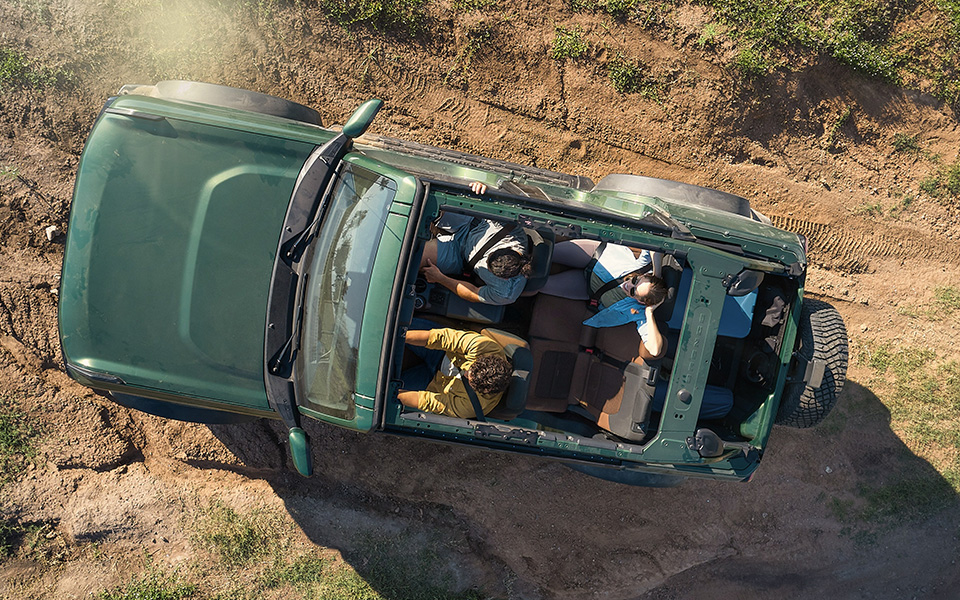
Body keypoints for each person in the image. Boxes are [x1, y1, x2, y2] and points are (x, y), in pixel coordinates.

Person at [541, 239, 668, 362]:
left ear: (641, 301)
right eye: (635, 281)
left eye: (633, 292)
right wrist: (657, 273)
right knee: (545, 251)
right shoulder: (642, 267)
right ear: (644, 276)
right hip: (594, 256)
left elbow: (655, 350)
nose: (629, 285)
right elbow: (655, 243)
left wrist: (649, 312)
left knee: (539, 284)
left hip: (586, 287)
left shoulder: (639, 311)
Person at [419, 182, 533, 306]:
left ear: (504, 278)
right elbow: (499, 200)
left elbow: (473, 293)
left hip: (459, 255)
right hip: (470, 222)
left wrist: (440, 278)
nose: (484, 262)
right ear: (508, 248)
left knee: (418, 255)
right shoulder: (513, 232)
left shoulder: (506, 292)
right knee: (431, 202)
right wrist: (484, 188)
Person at [397, 324, 512, 418]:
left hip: (432, 385)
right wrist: (399, 336)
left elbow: (429, 402)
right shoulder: (484, 347)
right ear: (483, 358)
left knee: (391, 388)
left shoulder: (471, 406)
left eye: (470, 379)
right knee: (400, 326)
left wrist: (389, 392)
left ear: (485, 390)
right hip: (441, 352)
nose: (466, 373)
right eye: (470, 369)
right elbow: (441, 338)